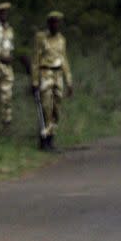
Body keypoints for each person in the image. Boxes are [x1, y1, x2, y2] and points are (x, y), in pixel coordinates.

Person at [32, 11, 73, 150]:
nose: (55, 25)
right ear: (48, 23)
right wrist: (35, 81)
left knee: (56, 108)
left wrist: (69, 80)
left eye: (57, 22)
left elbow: (64, 59)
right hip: (45, 73)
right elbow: (36, 60)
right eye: (53, 22)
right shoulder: (41, 38)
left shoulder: (62, 39)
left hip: (58, 75)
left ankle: (51, 138)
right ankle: (44, 140)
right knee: (46, 107)